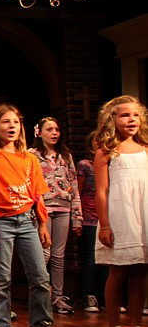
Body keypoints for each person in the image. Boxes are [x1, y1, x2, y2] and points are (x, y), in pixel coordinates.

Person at [0, 103, 68, 327]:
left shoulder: (29, 159)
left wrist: (43, 224)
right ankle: (1, 326)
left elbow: (37, 194)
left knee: (40, 276)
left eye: (15, 122)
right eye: (5, 122)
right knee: (1, 276)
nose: (11, 126)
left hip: (27, 221)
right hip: (0, 221)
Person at [92, 95, 148, 327]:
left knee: (141, 271)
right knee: (118, 270)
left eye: (135, 115)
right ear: (112, 119)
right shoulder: (106, 151)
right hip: (120, 216)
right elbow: (101, 191)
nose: (131, 119)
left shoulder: (146, 149)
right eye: (125, 115)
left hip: (142, 214)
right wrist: (104, 224)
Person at [30, 116, 83, 314]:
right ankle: (40, 293)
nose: (54, 133)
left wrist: (77, 215)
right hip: (42, 207)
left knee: (59, 255)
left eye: (56, 130)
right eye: (49, 129)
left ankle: (58, 296)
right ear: (39, 132)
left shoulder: (65, 155)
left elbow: (74, 184)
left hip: (64, 207)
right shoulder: (32, 155)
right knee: (44, 253)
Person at [76, 132, 106, 312]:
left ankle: (105, 295)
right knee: (90, 257)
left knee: (107, 259)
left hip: (106, 217)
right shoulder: (84, 165)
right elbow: (78, 192)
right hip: (89, 217)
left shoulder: (109, 163)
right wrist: (78, 217)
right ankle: (89, 295)